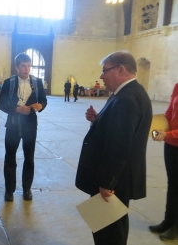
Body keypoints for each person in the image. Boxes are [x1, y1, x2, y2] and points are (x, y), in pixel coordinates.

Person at [75, 51, 152, 245]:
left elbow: (120, 145)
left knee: (109, 235)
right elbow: (117, 131)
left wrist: (107, 182)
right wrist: (98, 121)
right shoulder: (128, 93)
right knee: (110, 230)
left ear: (121, 69)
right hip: (117, 178)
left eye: (104, 71)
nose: (101, 76)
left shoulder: (126, 99)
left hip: (114, 181)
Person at [0, 53, 47, 202]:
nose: (27, 69)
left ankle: (27, 189)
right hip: (13, 125)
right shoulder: (9, 82)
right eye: (23, 66)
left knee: (29, 158)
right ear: (17, 67)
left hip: (30, 126)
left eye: (29, 66)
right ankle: (9, 190)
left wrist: (40, 106)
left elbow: (44, 101)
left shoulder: (37, 82)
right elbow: (1, 103)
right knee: (10, 158)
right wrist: (16, 109)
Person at [149, 82, 178, 241]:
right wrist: (156, 127)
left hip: (172, 139)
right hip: (172, 145)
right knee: (173, 185)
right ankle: (168, 221)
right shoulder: (177, 86)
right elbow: (169, 113)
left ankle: (177, 227)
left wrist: (168, 134)